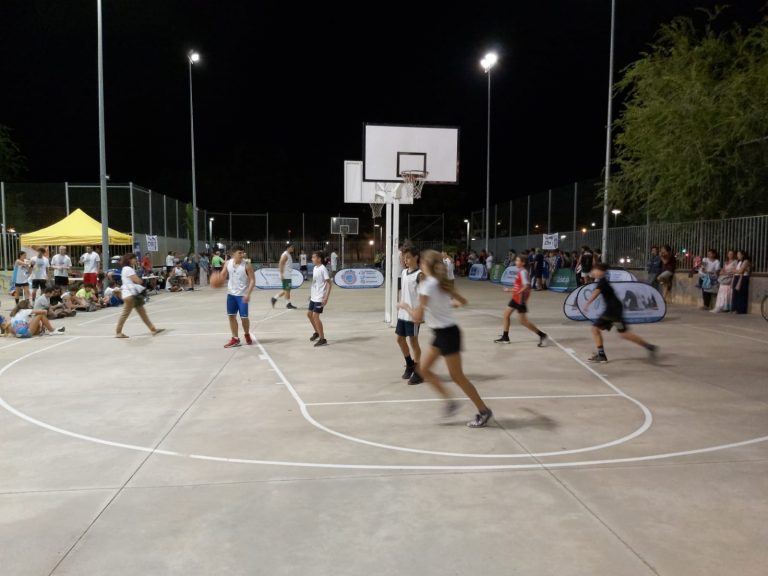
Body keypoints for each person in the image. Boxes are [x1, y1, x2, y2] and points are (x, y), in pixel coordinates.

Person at [398, 249, 493, 428]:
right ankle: (451, 403)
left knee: (458, 377)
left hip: (447, 334)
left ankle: (483, 410)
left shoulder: (427, 285)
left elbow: (417, 317)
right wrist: (447, 306)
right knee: (423, 369)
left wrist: (405, 306)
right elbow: (463, 301)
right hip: (443, 333)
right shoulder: (441, 282)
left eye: (422, 262)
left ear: (426, 264)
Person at [584, 263, 657, 363]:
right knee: (624, 333)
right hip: (616, 309)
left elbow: (596, 293)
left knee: (595, 329)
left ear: (600, 272)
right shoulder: (602, 280)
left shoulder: (602, 282)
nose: (592, 272)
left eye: (594, 270)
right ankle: (649, 347)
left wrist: (587, 303)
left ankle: (601, 355)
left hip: (612, 310)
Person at [494, 255, 548, 347]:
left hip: (520, 300)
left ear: (523, 263)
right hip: (515, 298)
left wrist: (516, 291)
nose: (516, 262)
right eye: (516, 260)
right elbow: (518, 286)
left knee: (523, 321)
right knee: (506, 315)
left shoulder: (523, 272)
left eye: (518, 260)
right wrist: (511, 290)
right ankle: (505, 337)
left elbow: (526, 285)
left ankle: (542, 335)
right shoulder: (520, 271)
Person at [115, 253, 164, 338]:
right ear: (129, 260)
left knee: (142, 313)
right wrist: (140, 279)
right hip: (130, 295)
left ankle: (153, 329)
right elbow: (137, 281)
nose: (136, 260)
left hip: (131, 295)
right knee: (126, 314)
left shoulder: (125, 269)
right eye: (134, 258)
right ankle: (118, 332)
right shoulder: (128, 269)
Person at [219, 245, 256, 348]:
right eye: (240, 253)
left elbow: (252, 280)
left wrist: (248, 294)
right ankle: (235, 339)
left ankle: (247, 334)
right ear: (233, 254)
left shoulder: (247, 265)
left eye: (243, 253)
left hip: (242, 295)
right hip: (231, 294)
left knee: (244, 317)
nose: (242, 254)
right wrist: (218, 279)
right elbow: (222, 275)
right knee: (231, 317)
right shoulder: (228, 263)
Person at [397, 247, 423, 384]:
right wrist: (400, 304)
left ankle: (419, 372)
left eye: (407, 257)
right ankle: (410, 364)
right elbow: (404, 292)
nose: (405, 260)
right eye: (404, 257)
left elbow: (423, 298)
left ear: (416, 257)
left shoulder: (420, 275)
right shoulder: (404, 272)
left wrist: (420, 314)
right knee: (399, 339)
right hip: (403, 314)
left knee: (413, 342)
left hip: (413, 315)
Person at [307, 250, 332, 347]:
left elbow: (329, 284)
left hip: (320, 297)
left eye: (314, 257)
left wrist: (326, 297)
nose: (312, 259)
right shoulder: (315, 268)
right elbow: (315, 282)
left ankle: (322, 339)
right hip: (314, 296)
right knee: (309, 314)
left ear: (319, 259)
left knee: (315, 316)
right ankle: (317, 332)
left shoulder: (323, 269)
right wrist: (312, 294)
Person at [271, 244, 297, 309]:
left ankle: (274, 298)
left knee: (287, 289)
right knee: (287, 289)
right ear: (288, 248)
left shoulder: (288, 254)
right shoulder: (285, 254)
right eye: (292, 247)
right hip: (285, 275)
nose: (293, 248)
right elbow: (280, 264)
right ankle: (288, 304)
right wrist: (281, 274)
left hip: (288, 274)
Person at [732, 250, 752, 315]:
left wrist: (735, 271)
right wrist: (736, 271)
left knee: (741, 294)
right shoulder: (739, 262)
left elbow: (741, 271)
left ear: (743, 255)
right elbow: (735, 270)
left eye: (739, 254)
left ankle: (740, 309)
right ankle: (735, 308)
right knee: (735, 294)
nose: (737, 256)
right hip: (737, 277)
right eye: (737, 254)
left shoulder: (746, 261)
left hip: (743, 278)